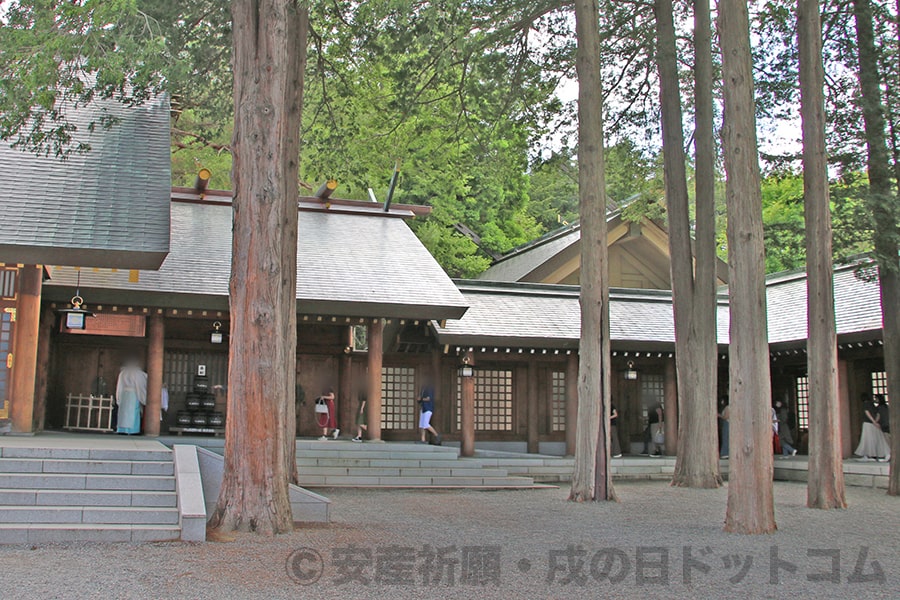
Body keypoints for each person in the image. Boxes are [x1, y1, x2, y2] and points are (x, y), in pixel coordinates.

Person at [115, 358, 147, 435]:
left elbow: (119, 386)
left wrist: (118, 397)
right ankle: (133, 430)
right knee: (134, 412)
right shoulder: (138, 373)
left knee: (124, 412)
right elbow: (142, 384)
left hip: (125, 394)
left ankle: (122, 429)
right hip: (134, 394)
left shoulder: (123, 373)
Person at [855, 392, 889, 461]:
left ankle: (868, 455)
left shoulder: (865, 404)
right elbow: (878, 414)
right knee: (875, 439)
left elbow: (867, 413)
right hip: (873, 424)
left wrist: (873, 421)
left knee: (867, 439)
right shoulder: (873, 405)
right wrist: (875, 422)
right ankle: (872, 455)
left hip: (867, 423)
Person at [876, 394, 891, 461]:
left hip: (884, 425)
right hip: (889, 424)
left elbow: (878, 417)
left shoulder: (879, 408)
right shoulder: (886, 407)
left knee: (887, 441)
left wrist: (874, 422)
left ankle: (890, 454)